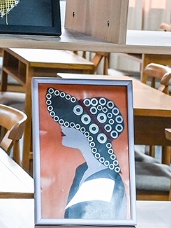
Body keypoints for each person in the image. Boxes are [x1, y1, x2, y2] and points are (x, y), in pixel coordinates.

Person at [44, 88, 128, 221]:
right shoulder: (82, 170)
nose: (62, 126)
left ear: (90, 131)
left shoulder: (105, 180)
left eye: (71, 122)